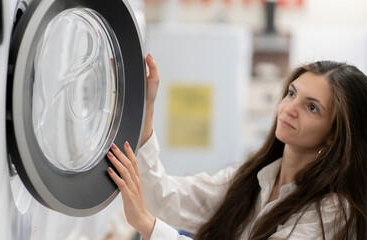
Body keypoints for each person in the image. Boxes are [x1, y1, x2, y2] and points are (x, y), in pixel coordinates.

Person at [106, 54, 367, 239]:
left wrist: (146, 224)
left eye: (312, 107)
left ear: (335, 134)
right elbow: (165, 200)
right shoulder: (253, 179)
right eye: (291, 93)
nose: (289, 109)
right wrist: (146, 107)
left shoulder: (333, 212)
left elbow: (151, 213)